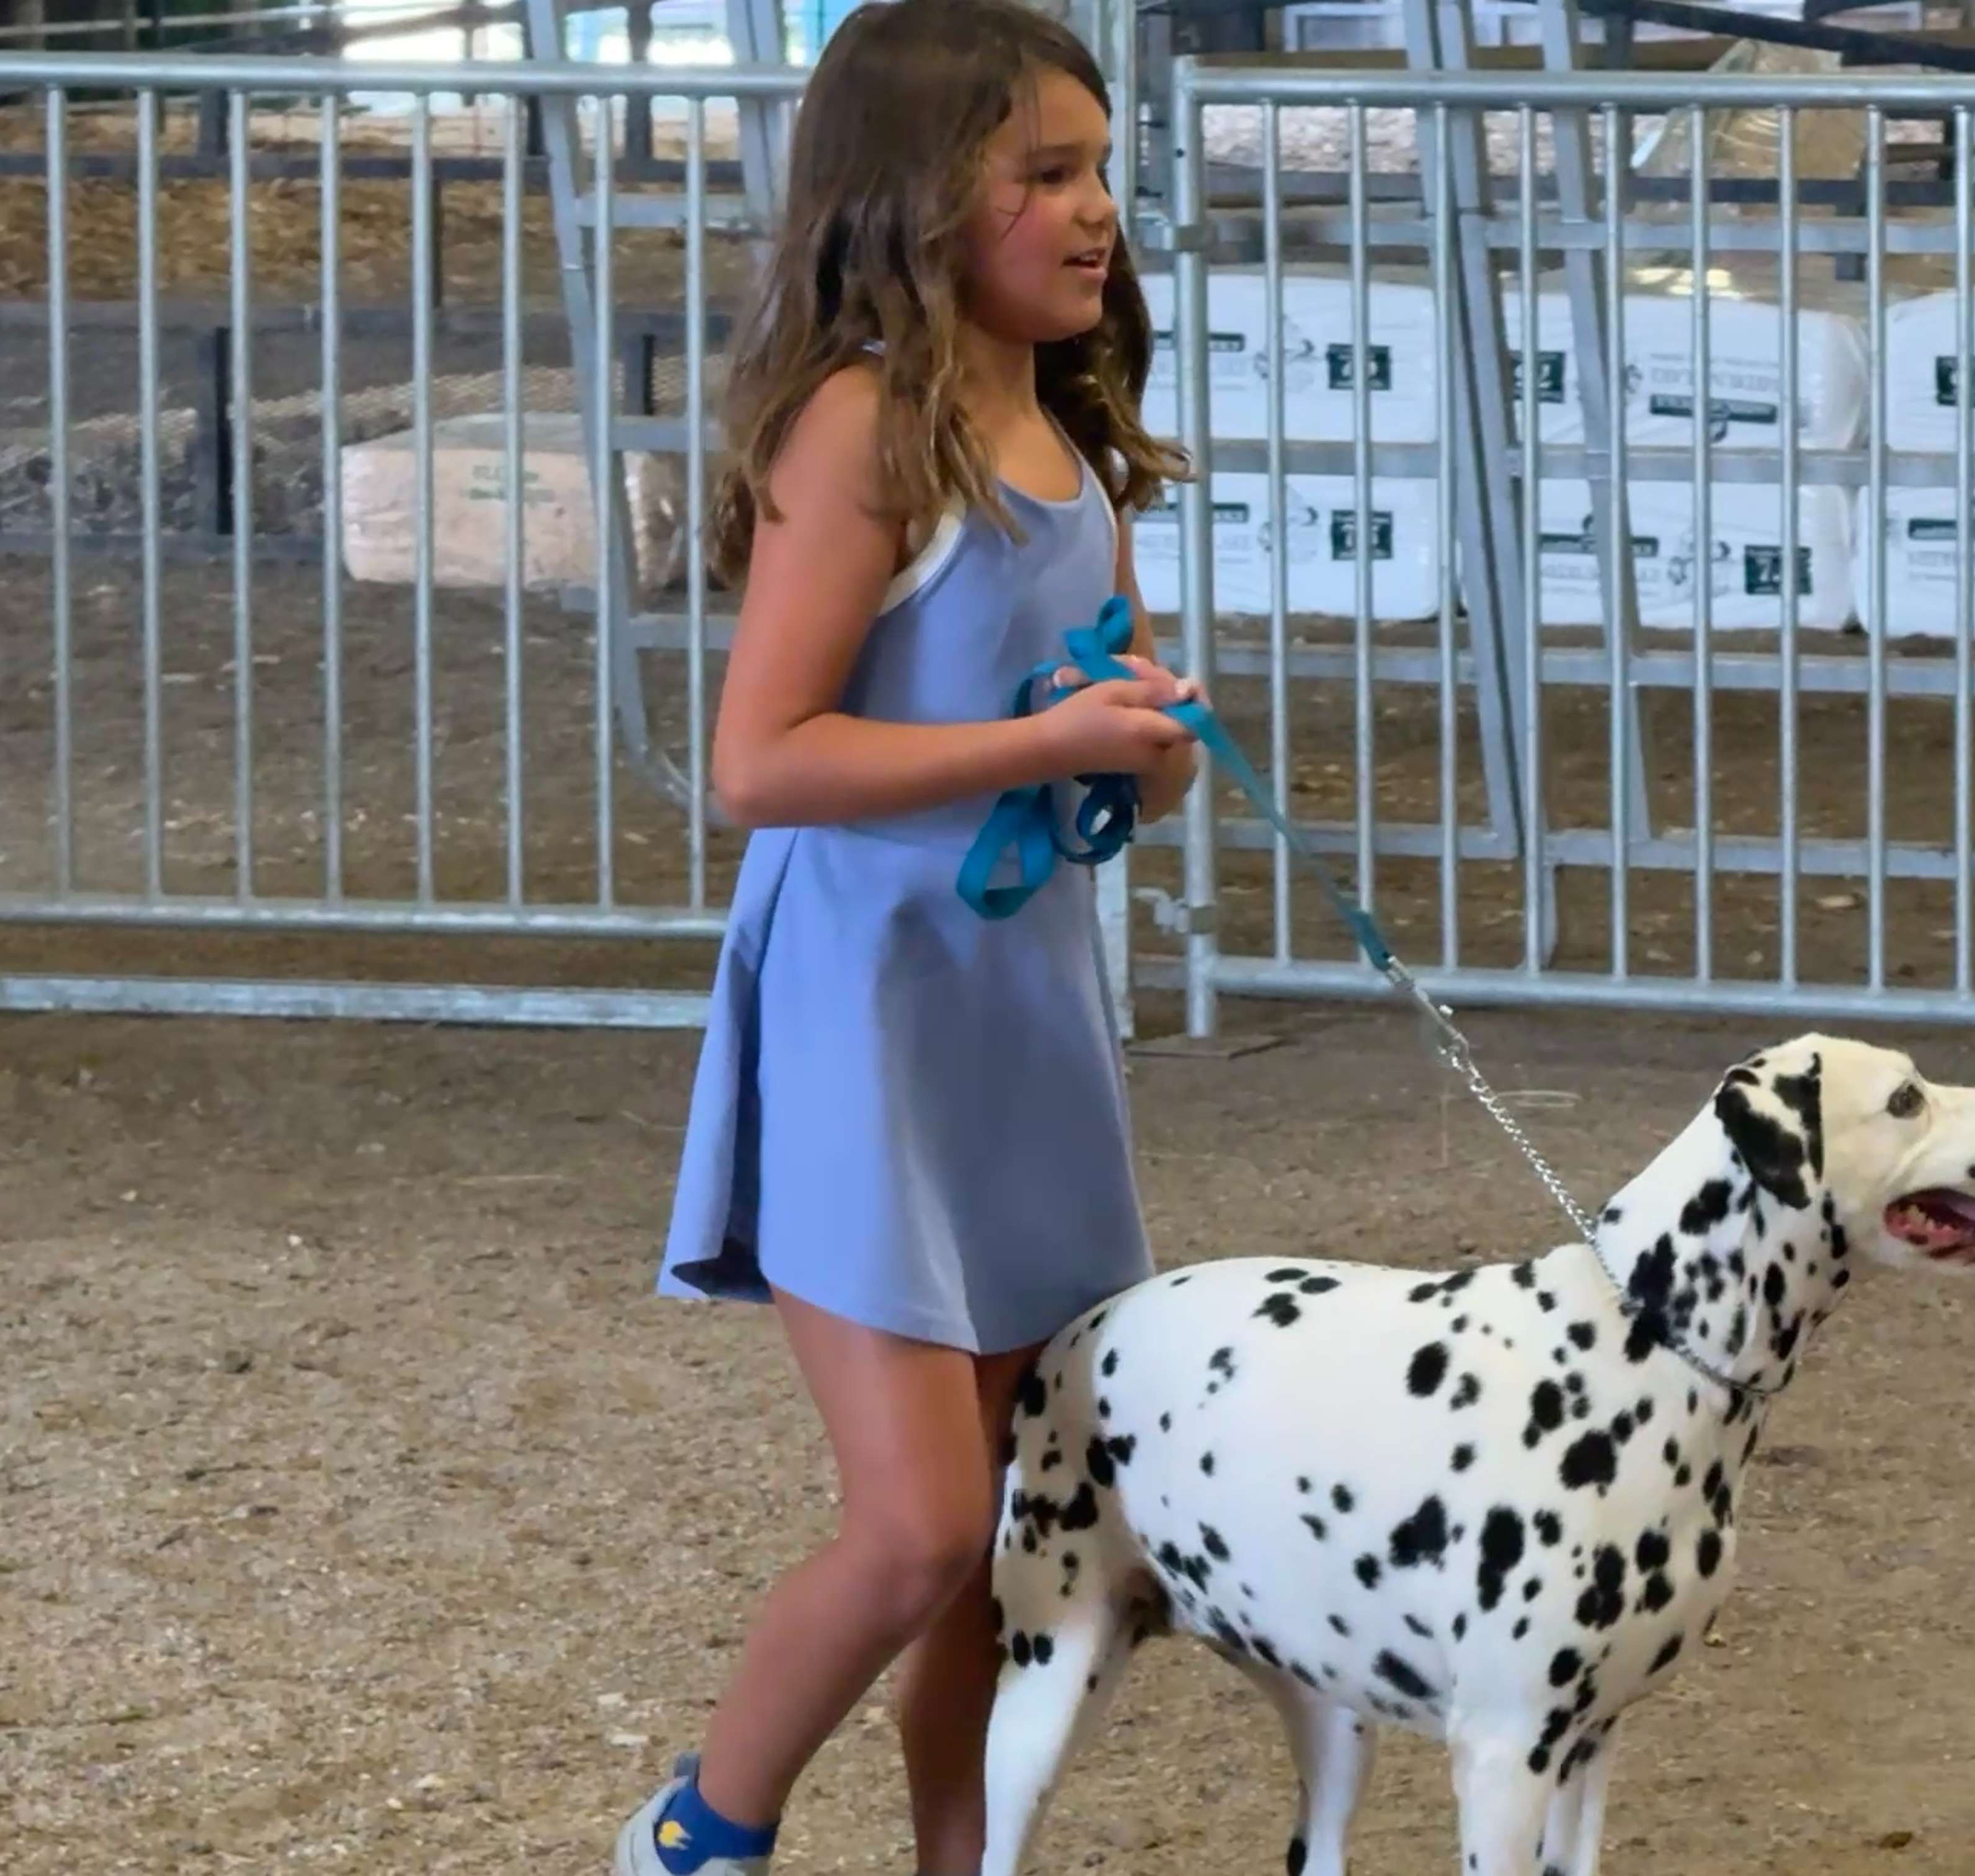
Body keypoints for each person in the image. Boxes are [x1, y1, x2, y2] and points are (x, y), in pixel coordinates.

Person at [614, 3, 1196, 1870]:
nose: (1093, 210)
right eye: (1044, 173)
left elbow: (1061, 741)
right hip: (866, 1026)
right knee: (918, 1529)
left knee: (1008, 1542)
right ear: (912, 201)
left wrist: (1138, 757)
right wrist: (1044, 739)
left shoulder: (1068, 442)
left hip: (1015, 1032)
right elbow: (759, 759)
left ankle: (970, 1856)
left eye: (1100, 168)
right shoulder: (866, 424)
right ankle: (704, 1832)